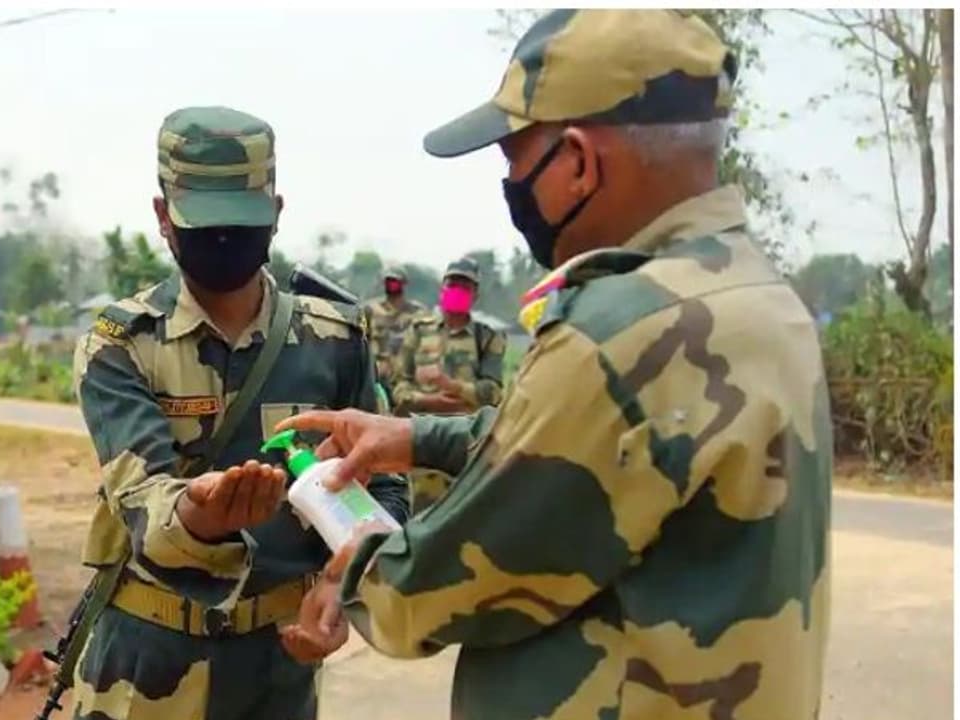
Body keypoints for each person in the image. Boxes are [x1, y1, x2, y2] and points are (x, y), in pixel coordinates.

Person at [276, 10, 832, 720]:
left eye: (514, 160)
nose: (511, 185)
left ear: (576, 162)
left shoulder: (618, 331)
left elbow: (433, 588)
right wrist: (416, 437)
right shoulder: (757, 295)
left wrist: (350, 559)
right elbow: (607, 450)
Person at [69, 105, 409, 720]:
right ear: (162, 216)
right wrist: (199, 514)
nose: (223, 239)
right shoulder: (121, 343)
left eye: (241, 221)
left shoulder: (336, 338)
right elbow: (141, 498)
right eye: (205, 223)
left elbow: (382, 484)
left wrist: (342, 583)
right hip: (147, 666)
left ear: (276, 214)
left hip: (275, 672)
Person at [391, 256, 506, 511]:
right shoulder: (419, 330)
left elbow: (494, 392)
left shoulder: (487, 337)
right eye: (452, 284)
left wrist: (450, 385)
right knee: (418, 519)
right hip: (420, 449)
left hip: (467, 450)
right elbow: (398, 387)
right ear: (442, 288)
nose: (457, 291)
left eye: (465, 287)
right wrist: (428, 401)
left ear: (475, 294)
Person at [361, 266, 426, 394]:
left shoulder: (418, 312)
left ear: (404, 283)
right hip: (376, 374)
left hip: (406, 376)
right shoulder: (370, 310)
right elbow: (362, 340)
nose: (391, 284)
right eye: (388, 281)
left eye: (395, 281)